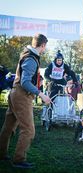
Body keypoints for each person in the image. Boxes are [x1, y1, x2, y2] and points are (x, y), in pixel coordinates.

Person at [0, 33, 51, 168]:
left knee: (8, 127)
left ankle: (1, 154)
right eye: (45, 47)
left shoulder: (27, 54)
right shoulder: (31, 59)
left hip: (15, 93)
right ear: (43, 45)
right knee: (28, 130)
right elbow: (25, 82)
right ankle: (19, 159)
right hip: (21, 95)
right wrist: (41, 94)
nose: (45, 49)